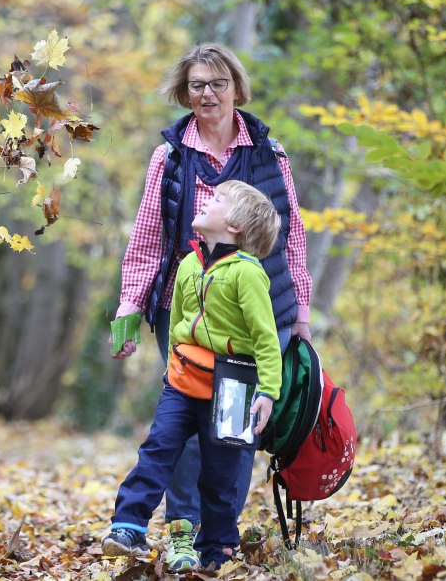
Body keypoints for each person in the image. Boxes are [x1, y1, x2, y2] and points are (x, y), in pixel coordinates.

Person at [109, 43, 313, 570]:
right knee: (181, 427)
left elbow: (293, 239)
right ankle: (181, 533)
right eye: (197, 84)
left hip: (256, 313)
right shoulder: (170, 155)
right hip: (187, 306)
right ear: (185, 92)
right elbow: (148, 238)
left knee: (231, 433)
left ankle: (217, 539)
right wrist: (130, 307)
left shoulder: (272, 154)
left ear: (236, 89)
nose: (208, 94)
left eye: (218, 84)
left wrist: (303, 313)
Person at [103, 181, 284, 572]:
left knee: (221, 474)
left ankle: (217, 549)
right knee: (158, 448)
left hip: (233, 387)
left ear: (235, 225)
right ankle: (128, 525)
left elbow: (266, 339)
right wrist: (171, 370)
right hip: (183, 383)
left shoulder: (247, 274)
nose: (205, 199)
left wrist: (267, 391)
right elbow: (180, 324)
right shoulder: (189, 263)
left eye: (217, 199)